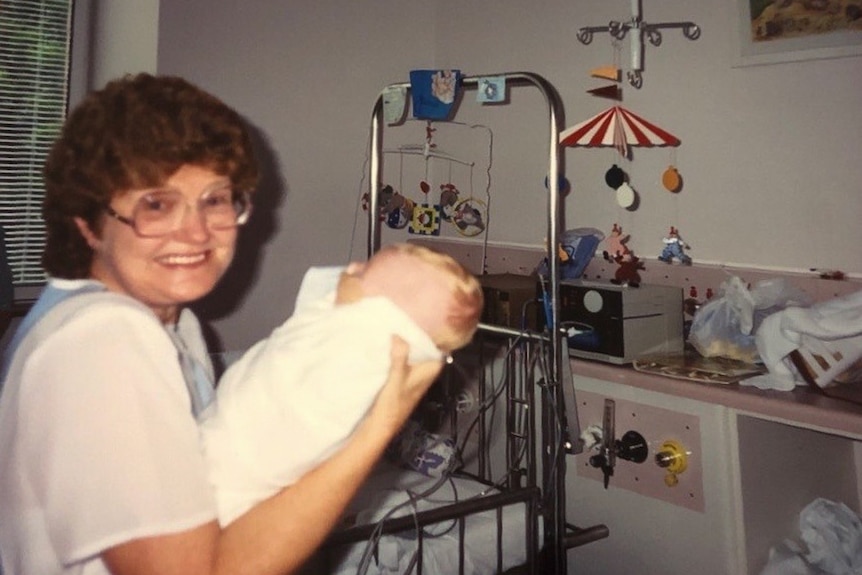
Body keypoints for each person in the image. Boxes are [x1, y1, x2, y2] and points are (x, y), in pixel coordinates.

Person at [0, 73, 444, 575]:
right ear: (87, 221)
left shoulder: (172, 323)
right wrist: (378, 426)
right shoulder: (103, 338)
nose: (196, 232)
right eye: (157, 204)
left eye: (214, 199)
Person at [201, 243, 483, 526]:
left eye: (363, 273)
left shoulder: (366, 353)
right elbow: (312, 314)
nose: (352, 269)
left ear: (387, 313)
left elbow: (322, 300)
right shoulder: (356, 329)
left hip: (240, 471)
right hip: (219, 441)